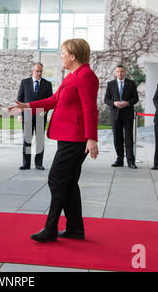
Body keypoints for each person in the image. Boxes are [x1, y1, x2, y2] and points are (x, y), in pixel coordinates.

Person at [9, 38, 99, 243]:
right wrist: (27, 106)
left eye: (63, 52)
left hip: (76, 139)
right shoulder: (72, 75)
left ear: (73, 55)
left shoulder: (85, 76)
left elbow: (90, 108)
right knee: (68, 182)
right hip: (67, 137)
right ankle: (75, 228)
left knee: (56, 179)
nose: (61, 56)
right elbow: (54, 100)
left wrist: (91, 138)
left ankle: (51, 228)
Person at [17, 63, 53, 170]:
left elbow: (50, 101)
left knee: (40, 140)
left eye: (41, 71)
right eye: (37, 71)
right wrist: (20, 114)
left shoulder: (47, 84)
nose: (39, 73)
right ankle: (26, 164)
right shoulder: (25, 82)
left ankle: (38, 164)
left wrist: (46, 110)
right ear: (32, 71)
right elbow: (20, 99)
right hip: (27, 115)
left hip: (41, 115)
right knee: (27, 140)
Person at [104, 65, 139, 169]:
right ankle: (119, 159)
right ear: (115, 73)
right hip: (115, 114)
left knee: (128, 138)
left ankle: (130, 161)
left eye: (122, 71)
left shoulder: (131, 83)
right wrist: (114, 103)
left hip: (127, 114)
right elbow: (106, 99)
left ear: (125, 72)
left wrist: (127, 103)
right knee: (117, 138)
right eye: (118, 72)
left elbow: (135, 98)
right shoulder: (110, 84)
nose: (120, 73)